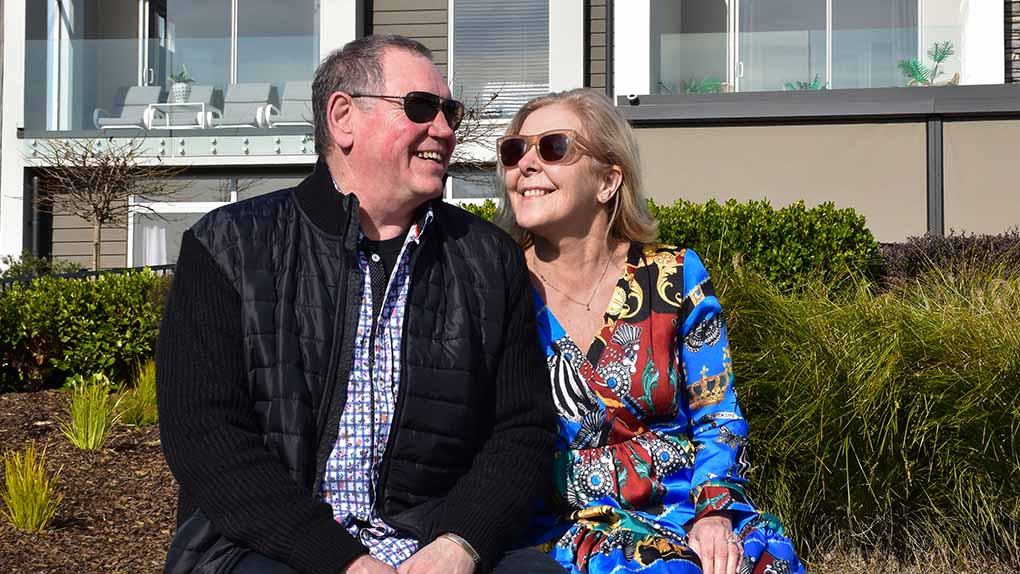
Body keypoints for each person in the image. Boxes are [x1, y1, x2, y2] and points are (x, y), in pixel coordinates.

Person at [156, 35, 563, 574]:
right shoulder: (228, 246)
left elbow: (521, 431)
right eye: (421, 107)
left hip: (434, 544)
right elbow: (206, 437)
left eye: (450, 111)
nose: (444, 129)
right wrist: (343, 561)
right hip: (271, 548)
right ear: (343, 117)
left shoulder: (486, 259)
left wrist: (461, 542)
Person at [495, 88, 805, 574]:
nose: (526, 164)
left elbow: (717, 416)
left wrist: (714, 514)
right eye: (515, 150)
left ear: (608, 180)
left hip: (689, 507)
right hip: (562, 523)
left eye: (553, 147)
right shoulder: (494, 284)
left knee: (762, 562)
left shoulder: (673, 275)